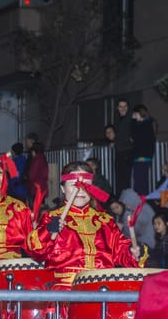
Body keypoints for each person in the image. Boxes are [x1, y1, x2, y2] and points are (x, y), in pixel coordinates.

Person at [27, 161, 147, 291]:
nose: (80, 190)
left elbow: (121, 251)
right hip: (66, 292)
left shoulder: (105, 221)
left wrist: (133, 251)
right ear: (62, 188)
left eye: (86, 185)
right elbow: (35, 249)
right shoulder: (52, 218)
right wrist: (48, 230)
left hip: (102, 290)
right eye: (74, 185)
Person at [131, 104, 156, 196]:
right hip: (143, 157)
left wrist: (133, 121)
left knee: (140, 182)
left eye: (135, 114)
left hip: (142, 157)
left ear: (139, 113)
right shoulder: (147, 124)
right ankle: (141, 202)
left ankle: (142, 203)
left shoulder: (144, 125)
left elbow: (134, 135)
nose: (133, 116)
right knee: (140, 181)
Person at [113, 99, 133, 196]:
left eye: (125, 106)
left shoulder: (131, 118)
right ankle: (120, 198)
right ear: (117, 108)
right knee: (119, 176)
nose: (123, 108)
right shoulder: (116, 118)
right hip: (119, 150)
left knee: (126, 177)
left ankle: (126, 198)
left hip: (128, 150)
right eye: (121, 106)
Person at [26, 141, 49, 206]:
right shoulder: (43, 158)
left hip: (35, 187)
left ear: (34, 151)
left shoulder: (36, 160)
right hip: (42, 186)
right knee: (41, 204)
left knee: (35, 206)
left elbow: (32, 175)